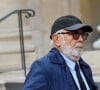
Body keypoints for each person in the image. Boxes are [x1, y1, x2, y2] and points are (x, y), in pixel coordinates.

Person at [23, 15, 98, 90]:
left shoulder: (84, 67)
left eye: (83, 34)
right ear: (56, 39)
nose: (81, 39)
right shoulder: (43, 67)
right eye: (75, 34)